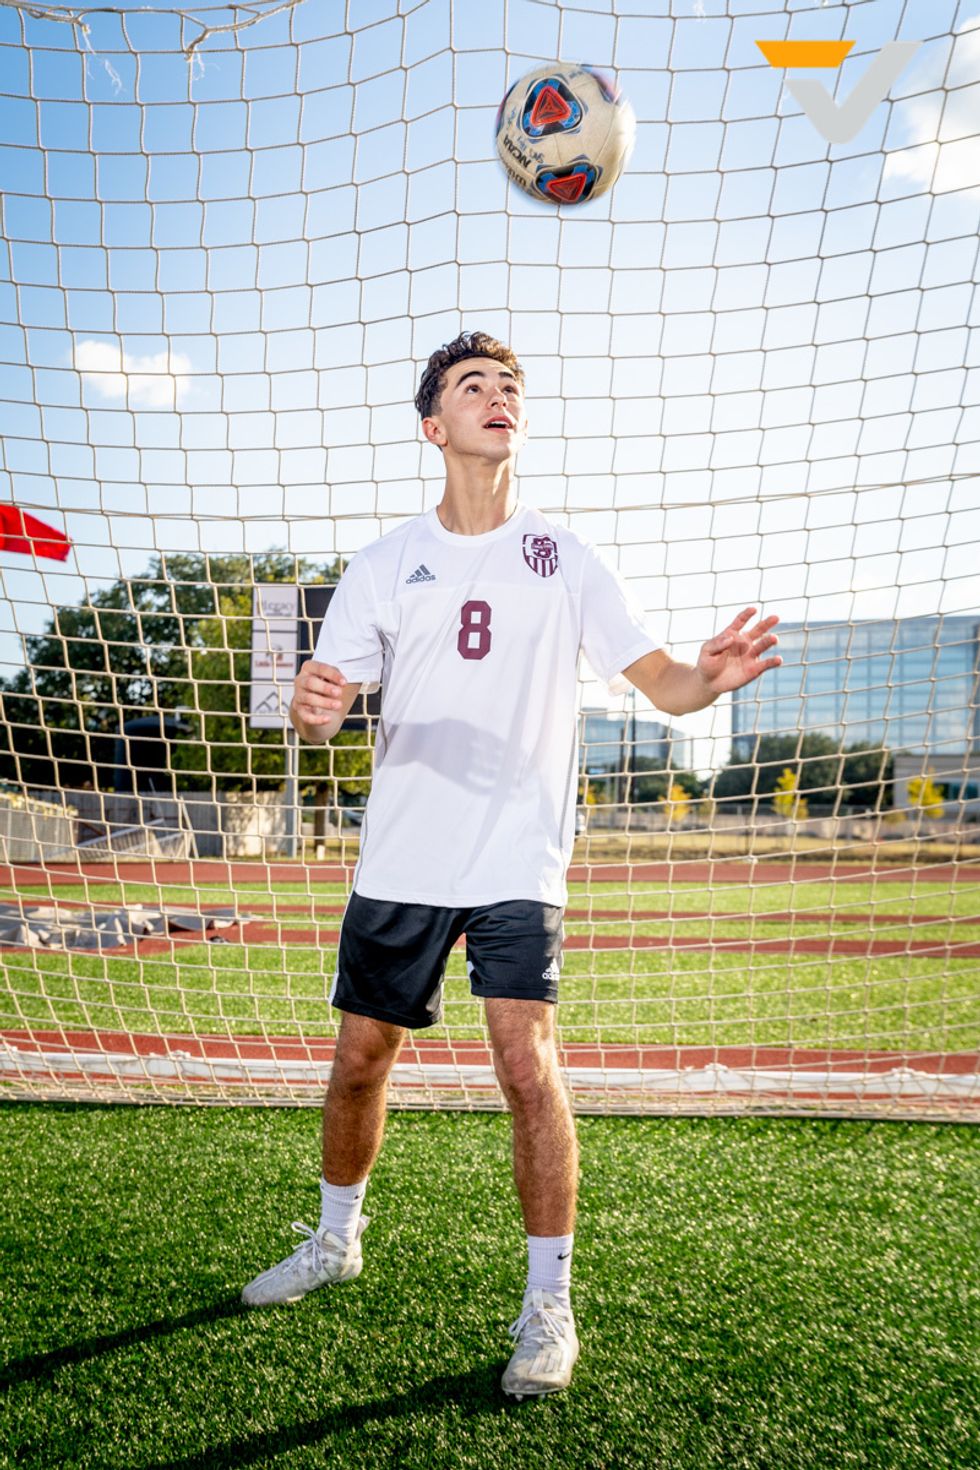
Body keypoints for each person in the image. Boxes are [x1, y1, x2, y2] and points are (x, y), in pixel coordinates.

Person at [241, 330, 781, 1399]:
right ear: (432, 426)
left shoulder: (565, 560)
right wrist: (313, 710)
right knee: (359, 1059)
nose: (497, 397)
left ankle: (547, 1304)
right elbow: (321, 711)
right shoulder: (384, 562)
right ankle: (335, 1237)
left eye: (508, 386)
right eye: (471, 386)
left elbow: (661, 683)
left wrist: (706, 681)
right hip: (401, 855)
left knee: (525, 1066)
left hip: (516, 859)